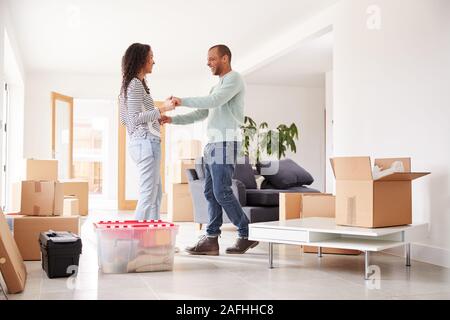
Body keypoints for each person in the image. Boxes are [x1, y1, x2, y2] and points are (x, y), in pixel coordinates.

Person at [160, 44, 259, 255]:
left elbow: (215, 101)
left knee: (221, 191)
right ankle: (211, 239)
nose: (208, 63)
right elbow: (201, 113)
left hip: (225, 142)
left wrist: (181, 100)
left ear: (225, 58)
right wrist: (172, 119)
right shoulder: (217, 86)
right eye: (208, 59)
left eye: (212, 59)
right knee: (210, 191)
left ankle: (246, 232)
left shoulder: (234, 79)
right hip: (213, 144)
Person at [119, 43, 176, 220]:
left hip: (140, 143)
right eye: (151, 57)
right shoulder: (135, 84)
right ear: (141, 59)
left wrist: (156, 117)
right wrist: (162, 109)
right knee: (148, 196)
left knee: (155, 195)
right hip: (146, 144)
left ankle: (151, 238)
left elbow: (125, 119)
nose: (153, 61)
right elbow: (135, 118)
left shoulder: (129, 85)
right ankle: (135, 241)